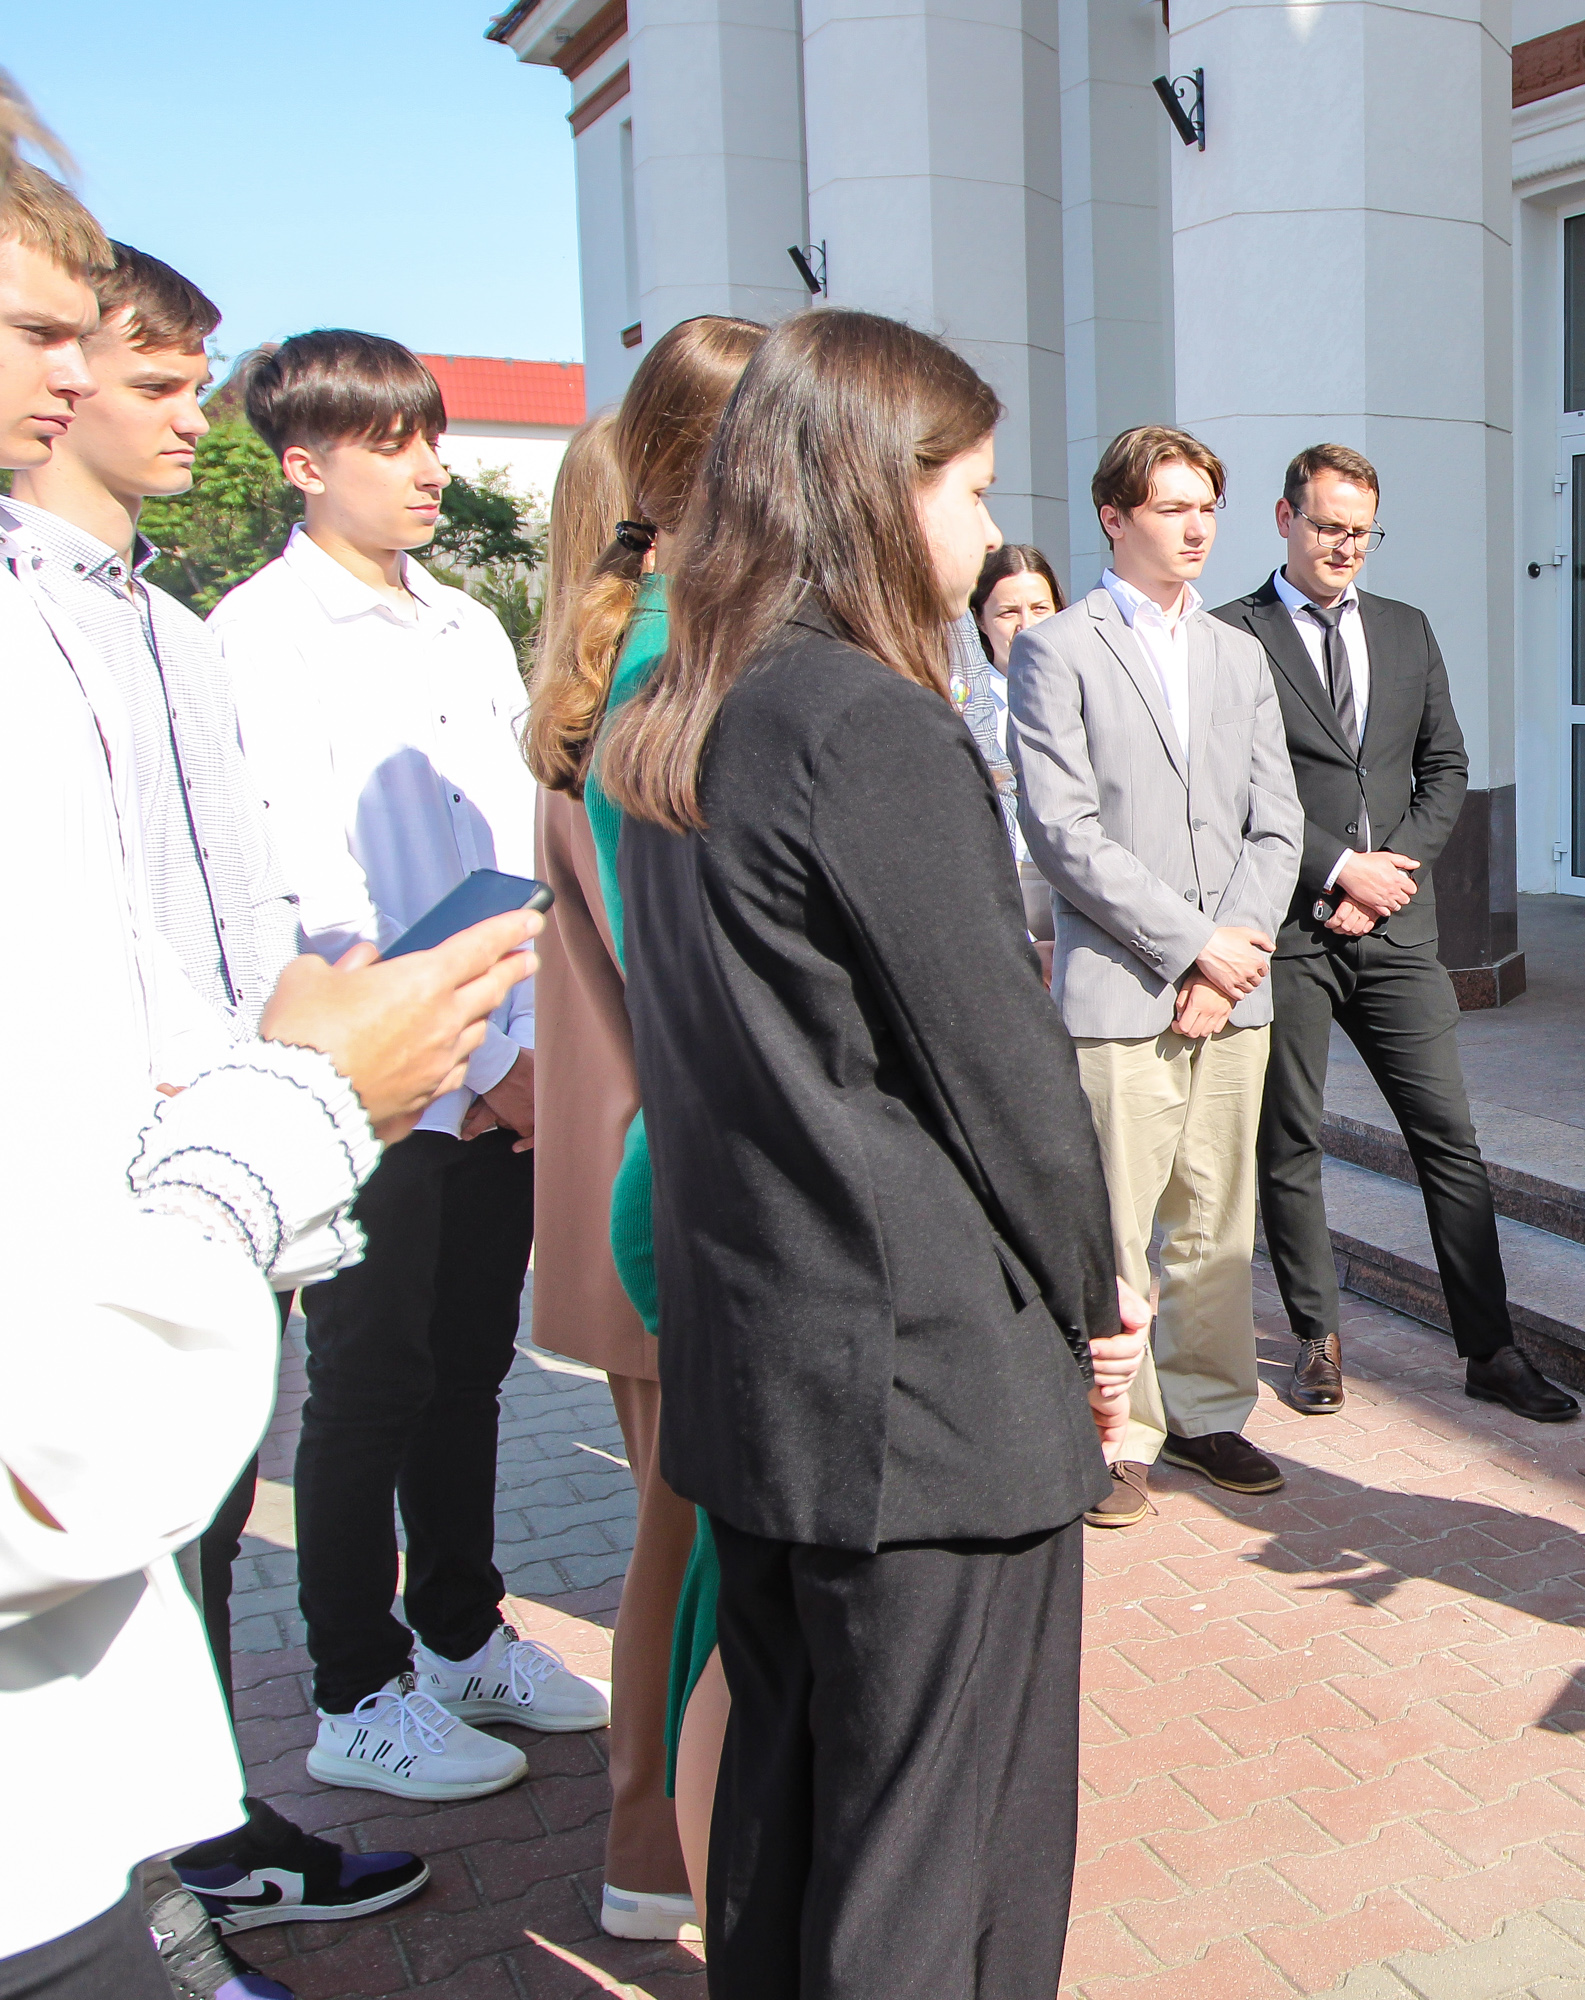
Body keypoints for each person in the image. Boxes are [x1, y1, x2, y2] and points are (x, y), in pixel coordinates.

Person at [599, 307, 1148, 1999]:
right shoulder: (867, 728)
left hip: (768, 1370)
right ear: (872, 490)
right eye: (969, 488)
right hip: (924, 1400)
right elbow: (1002, 1073)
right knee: (938, 1858)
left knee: (789, 1810)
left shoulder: (680, 710)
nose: (989, 531)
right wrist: (1099, 1304)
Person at [1, 239, 430, 1950]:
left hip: (249, 1129)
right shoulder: (55, 621)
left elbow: (238, 889)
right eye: (151, 379)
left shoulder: (166, 631)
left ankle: (201, 1841)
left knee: (200, 1520)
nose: (194, 417)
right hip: (125, 1168)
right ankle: (155, 1899)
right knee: (113, 1516)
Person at [215, 329, 607, 1803]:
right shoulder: (259, 636)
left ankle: (458, 1631)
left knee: (468, 1370)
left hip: (496, 1056)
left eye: (433, 437)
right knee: (365, 1383)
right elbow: (318, 886)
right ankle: (352, 1686)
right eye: (393, 442)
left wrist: (519, 1048)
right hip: (379, 1079)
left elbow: (510, 843)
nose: (431, 467)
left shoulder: (455, 623)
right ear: (306, 463)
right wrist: (466, 1060)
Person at [521, 309, 764, 1943]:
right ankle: (678, 1855)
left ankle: (645, 1849)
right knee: (708, 1558)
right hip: (688, 1186)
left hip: (639, 1175)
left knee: (675, 1535)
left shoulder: (627, 648)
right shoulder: (687, 673)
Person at [1210, 445, 1575, 1423]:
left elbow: (1445, 767)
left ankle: (1490, 1347)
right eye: (1329, 525)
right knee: (1290, 1139)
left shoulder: (1407, 631)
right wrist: (1335, 868)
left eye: (1362, 530)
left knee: (1448, 1137)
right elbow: (1236, 794)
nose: (1346, 546)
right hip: (1288, 929)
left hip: (1398, 931)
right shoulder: (1229, 638)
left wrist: (1387, 875)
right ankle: (1317, 1339)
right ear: (1284, 518)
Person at [1010, 425, 1302, 1530]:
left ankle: (1210, 1411)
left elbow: (1277, 825)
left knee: (1219, 1218)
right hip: (1120, 990)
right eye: (1171, 505)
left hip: (1237, 992)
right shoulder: (1058, 648)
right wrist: (1191, 947)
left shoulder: (1239, 653)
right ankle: (1119, 1431)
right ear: (1114, 517)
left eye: (1207, 507)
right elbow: (1064, 832)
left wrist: (1228, 959)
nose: (1195, 527)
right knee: (1118, 1220)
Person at [964, 544, 1062, 952]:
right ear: (980, 621)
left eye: (1040, 608)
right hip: (1005, 887)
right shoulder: (964, 710)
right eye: (1008, 612)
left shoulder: (1084, 691)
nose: (1027, 625)